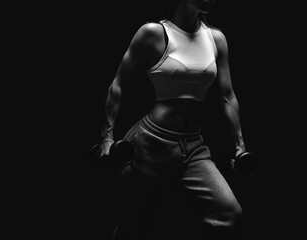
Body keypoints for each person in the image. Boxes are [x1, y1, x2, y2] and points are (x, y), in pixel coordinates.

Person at [96, 0, 250, 239]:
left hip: (193, 146)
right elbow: (118, 85)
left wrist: (240, 147)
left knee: (230, 215)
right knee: (132, 228)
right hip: (149, 144)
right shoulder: (153, 34)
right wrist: (107, 138)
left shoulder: (215, 39)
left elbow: (227, 97)